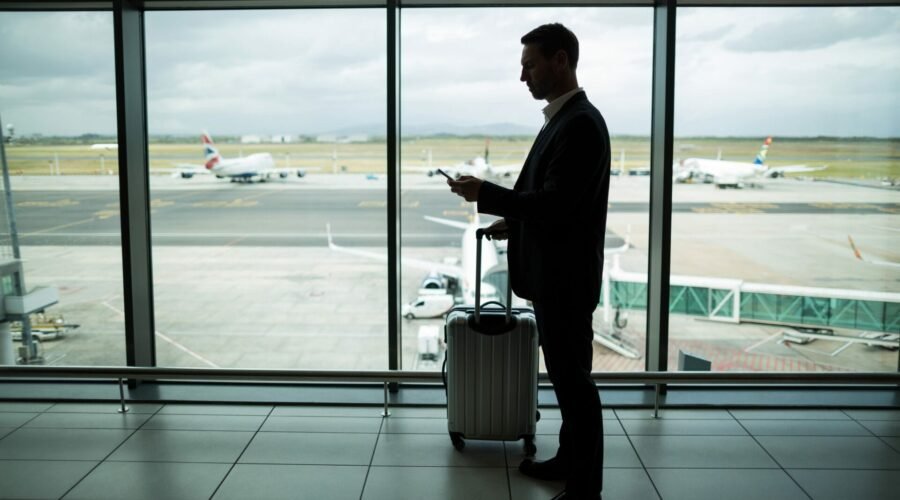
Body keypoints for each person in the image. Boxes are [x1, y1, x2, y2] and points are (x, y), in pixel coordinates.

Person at [446, 23, 610, 500]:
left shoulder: (577, 122)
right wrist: (512, 223)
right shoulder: (563, 118)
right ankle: (567, 460)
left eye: (530, 65)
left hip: (564, 279)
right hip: (559, 275)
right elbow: (556, 202)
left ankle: (585, 490)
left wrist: (487, 195)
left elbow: (557, 204)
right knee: (566, 379)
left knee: (576, 387)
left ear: (560, 61)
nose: (524, 77)